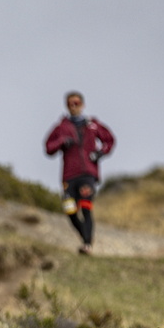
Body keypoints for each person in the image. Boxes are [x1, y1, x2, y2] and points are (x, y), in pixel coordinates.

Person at [45, 91, 115, 255]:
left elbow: (110, 140)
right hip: (69, 176)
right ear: (66, 106)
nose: (74, 106)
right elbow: (48, 148)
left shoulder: (93, 125)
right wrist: (62, 141)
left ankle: (87, 245)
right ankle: (85, 237)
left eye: (76, 103)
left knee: (86, 207)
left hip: (88, 174)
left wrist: (100, 153)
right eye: (70, 104)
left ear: (83, 105)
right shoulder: (61, 127)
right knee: (70, 211)